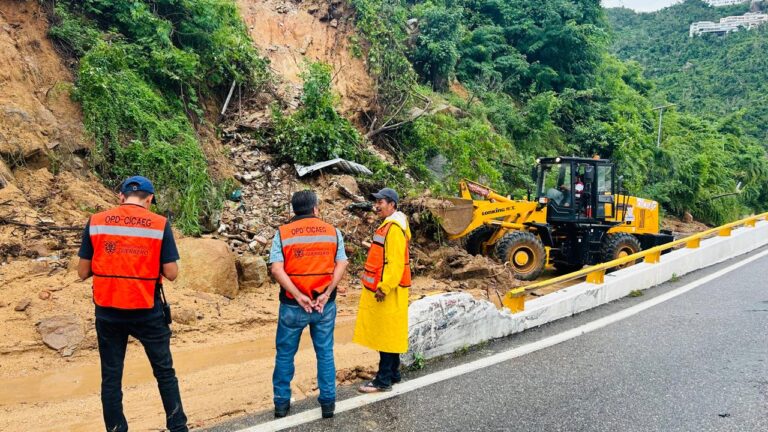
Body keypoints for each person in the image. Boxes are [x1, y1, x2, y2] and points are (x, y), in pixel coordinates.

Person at [77, 176, 188, 432]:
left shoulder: (96, 222)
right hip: (146, 309)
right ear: (149, 199)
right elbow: (171, 273)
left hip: (108, 310)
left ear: (121, 197)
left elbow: (82, 272)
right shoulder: (159, 224)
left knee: (111, 377)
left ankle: (116, 429)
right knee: (164, 372)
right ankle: (178, 426)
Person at [269, 190, 349, 419]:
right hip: (324, 305)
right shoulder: (332, 232)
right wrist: (327, 293)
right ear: (315, 208)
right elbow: (342, 263)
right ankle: (328, 404)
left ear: (294, 210)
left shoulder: (283, 233)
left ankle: (281, 404)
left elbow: (276, 269)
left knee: (285, 355)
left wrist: (297, 295)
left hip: (293, 306)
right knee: (325, 353)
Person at [354, 187, 412, 393]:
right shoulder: (391, 225)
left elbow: (395, 263)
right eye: (376, 202)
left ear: (392, 205)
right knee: (390, 333)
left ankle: (383, 380)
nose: (376, 206)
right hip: (391, 288)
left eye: (380, 202)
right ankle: (394, 373)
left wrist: (384, 287)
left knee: (386, 334)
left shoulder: (394, 228)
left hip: (388, 290)